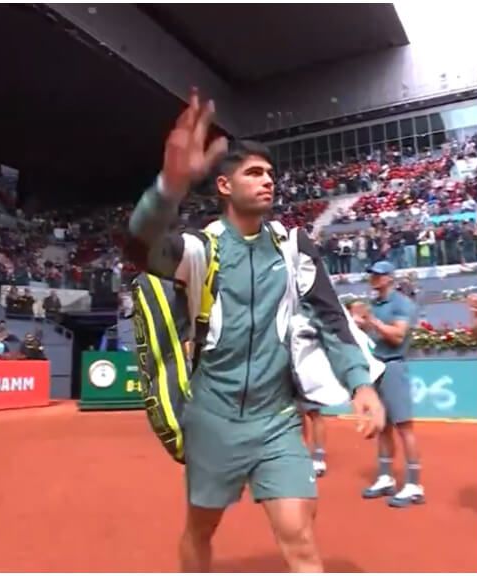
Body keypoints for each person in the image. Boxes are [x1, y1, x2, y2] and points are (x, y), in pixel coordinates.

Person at [126, 89, 384, 572]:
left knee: (300, 536)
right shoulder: (198, 250)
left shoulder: (293, 247)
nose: (268, 181)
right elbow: (141, 250)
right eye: (254, 173)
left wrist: (361, 382)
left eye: (270, 174)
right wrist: (168, 187)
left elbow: (331, 318)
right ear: (224, 186)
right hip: (212, 419)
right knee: (201, 530)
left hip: (277, 419)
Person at [352, 261, 424, 508]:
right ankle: (385, 477)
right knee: (382, 426)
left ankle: (414, 484)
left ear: (389, 278)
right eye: (371, 275)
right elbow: (370, 333)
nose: (373, 279)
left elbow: (397, 336)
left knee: (404, 427)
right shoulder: (374, 304)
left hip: (393, 366)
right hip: (375, 367)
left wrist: (371, 320)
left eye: (377, 275)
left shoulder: (402, 304)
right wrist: (359, 323)